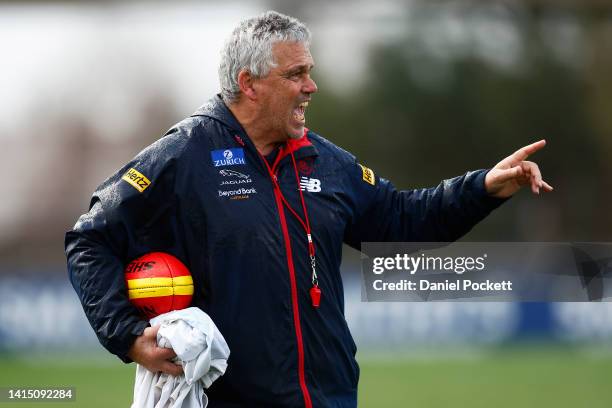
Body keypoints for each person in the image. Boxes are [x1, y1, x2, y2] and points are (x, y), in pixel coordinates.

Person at [65, 10, 552, 408]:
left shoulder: (327, 161)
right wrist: (128, 336)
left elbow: (402, 219)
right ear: (249, 83)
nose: (310, 86)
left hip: (331, 398)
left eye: (309, 72)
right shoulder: (183, 155)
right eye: (295, 74)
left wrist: (483, 188)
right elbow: (90, 239)